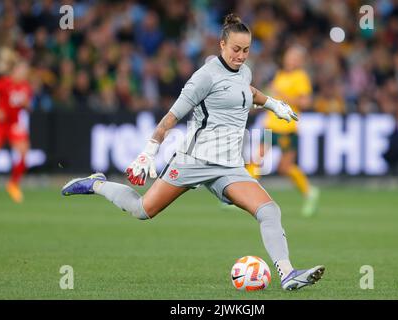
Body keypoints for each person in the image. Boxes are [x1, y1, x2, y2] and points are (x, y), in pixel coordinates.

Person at [61, 14, 325, 291]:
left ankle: (288, 274)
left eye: (246, 50)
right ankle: (97, 183)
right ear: (222, 44)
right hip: (194, 160)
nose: (241, 56)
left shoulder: (244, 71)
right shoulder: (204, 77)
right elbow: (170, 118)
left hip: (229, 167)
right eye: (236, 49)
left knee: (269, 211)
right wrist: (148, 152)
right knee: (142, 210)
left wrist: (273, 104)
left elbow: (248, 90)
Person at [246, 45, 320, 217]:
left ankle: (309, 192)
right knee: (256, 159)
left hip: (287, 128)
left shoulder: (300, 77)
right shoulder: (279, 74)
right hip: (270, 125)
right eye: (289, 56)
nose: (291, 60)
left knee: (285, 168)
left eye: (295, 58)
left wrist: (282, 95)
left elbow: (305, 102)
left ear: (300, 61)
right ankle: (247, 196)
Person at [0, 61, 33, 203]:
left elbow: (28, 106)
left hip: (14, 124)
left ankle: (13, 184)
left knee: (24, 153)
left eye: (25, 71)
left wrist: (26, 104)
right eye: (21, 70)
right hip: (0, 124)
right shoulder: (3, 83)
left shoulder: (26, 87)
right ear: (14, 71)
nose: (23, 73)